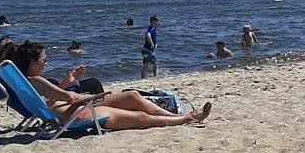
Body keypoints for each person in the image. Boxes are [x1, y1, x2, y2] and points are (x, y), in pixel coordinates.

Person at [12, 42, 210, 131]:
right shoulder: (35, 80)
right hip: (78, 114)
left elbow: (48, 101)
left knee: (132, 96)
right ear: (31, 62)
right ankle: (187, 118)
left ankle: (177, 117)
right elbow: (70, 98)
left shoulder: (30, 81)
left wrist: (69, 82)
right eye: (43, 60)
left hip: (74, 107)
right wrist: (89, 97)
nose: (46, 63)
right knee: (140, 118)